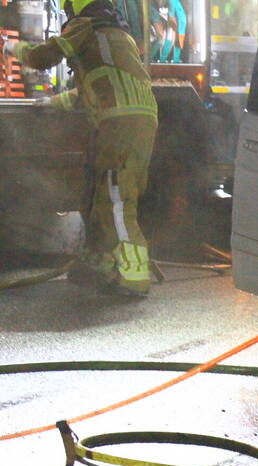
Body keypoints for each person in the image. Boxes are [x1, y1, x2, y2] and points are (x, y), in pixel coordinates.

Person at [3, 0, 158, 296]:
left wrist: (13, 48)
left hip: (119, 121)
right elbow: (98, 84)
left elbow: (42, 57)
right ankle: (98, 262)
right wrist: (53, 102)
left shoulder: (86, 26)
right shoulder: (115, 34)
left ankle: (134, 273)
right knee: (103, 193)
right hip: (138, 118)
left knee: (116, 197)